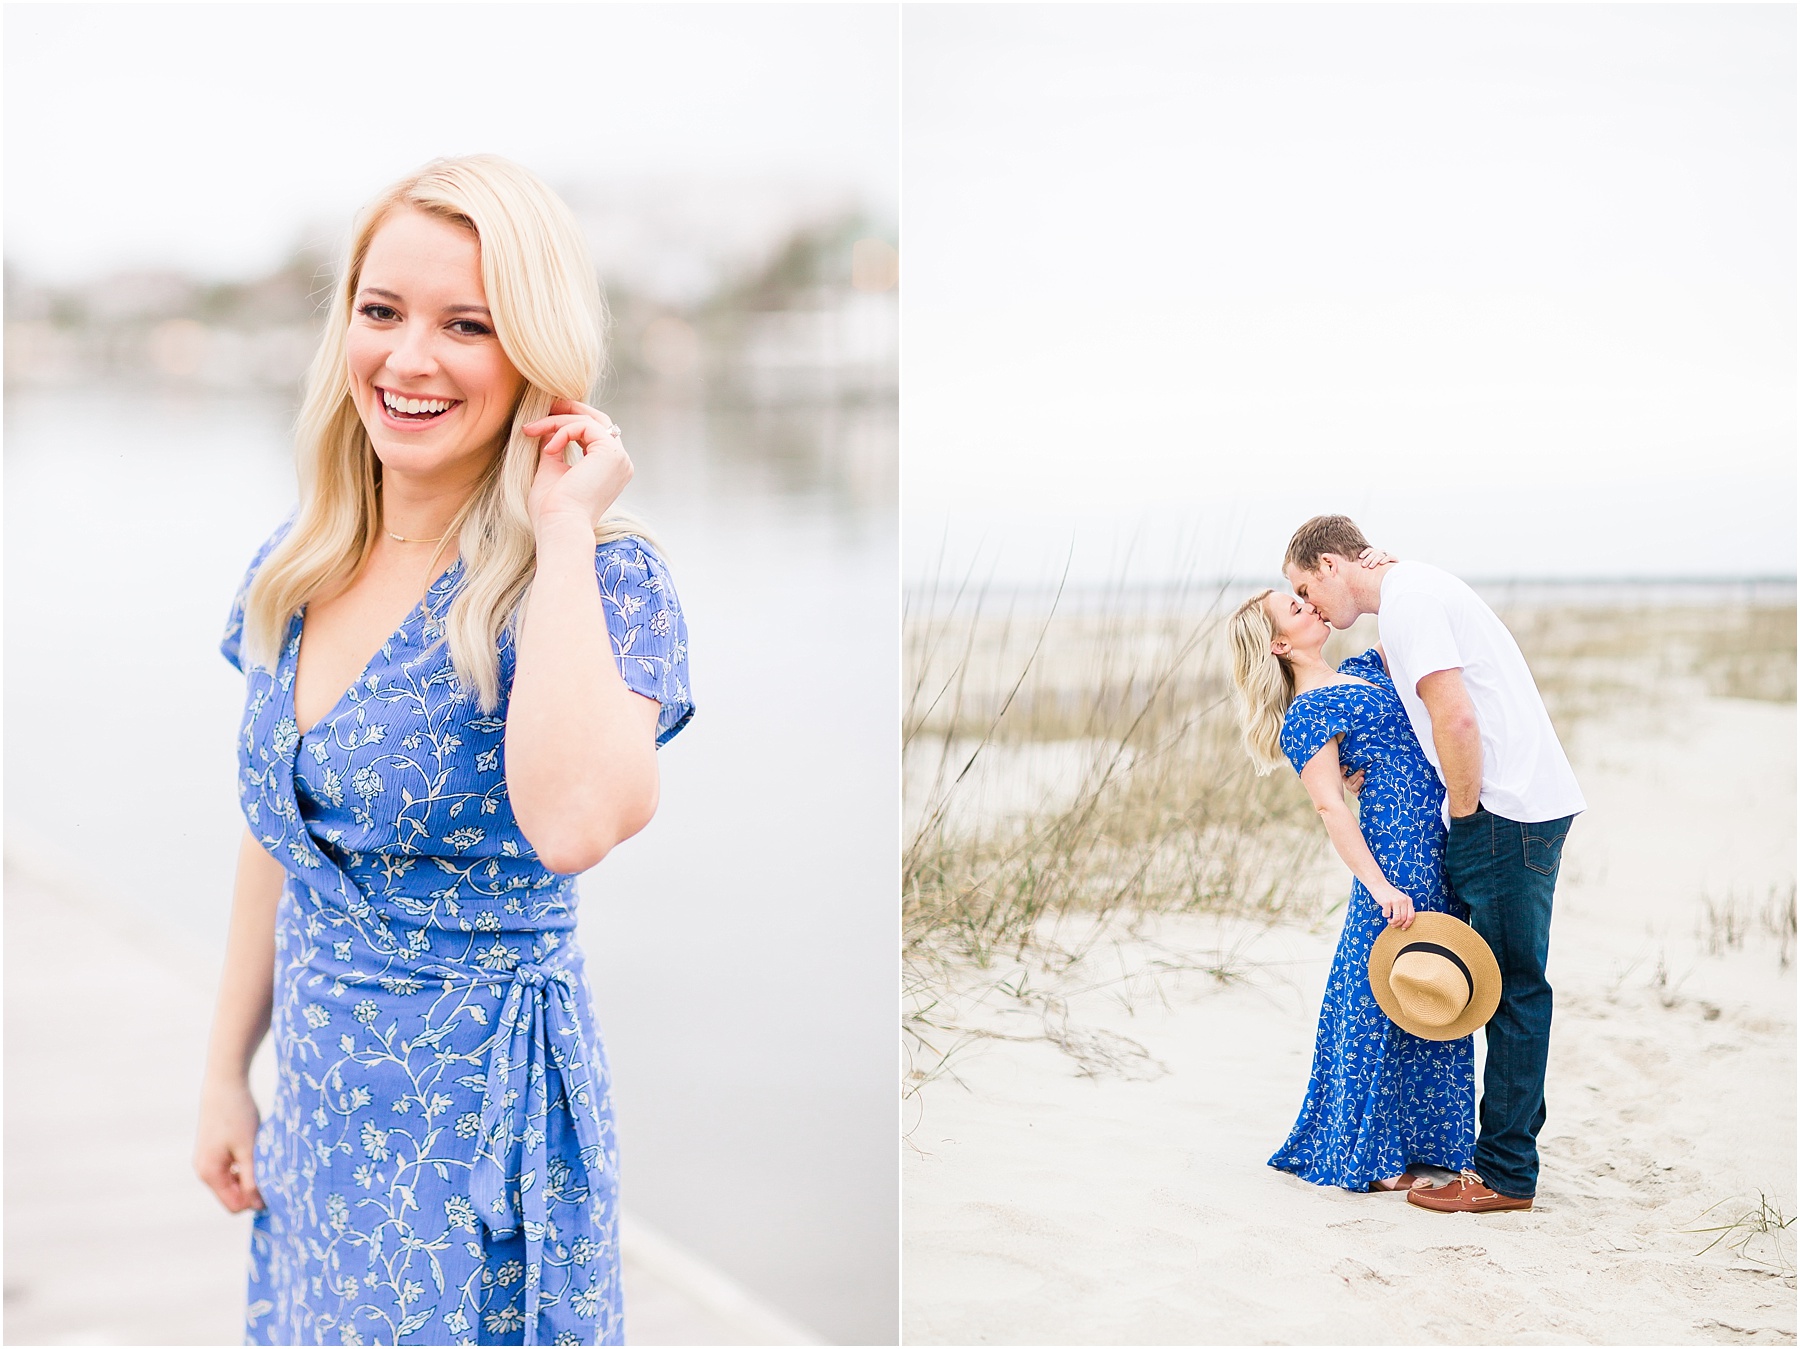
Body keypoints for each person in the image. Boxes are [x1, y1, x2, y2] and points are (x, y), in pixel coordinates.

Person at [193, 155, 694, 1346]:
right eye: (382, 311)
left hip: (476, 1130)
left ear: (532, 352)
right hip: (319, 1105)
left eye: (466, 324)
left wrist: (561, 528)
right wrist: (226, 1067)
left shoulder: (600, 580)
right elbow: (282, 835)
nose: (408, 359)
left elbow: (577, 823)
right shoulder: (297, 562)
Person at [1282, 514, 1583, 1214]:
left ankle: (1505, 1174)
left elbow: (1455, 720)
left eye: (1306, 586)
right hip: (1516, 804)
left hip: (1502, 811)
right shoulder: (1413, 589)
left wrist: (1468, 815)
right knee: (1503, 982)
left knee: (1511, 989)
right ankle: (1496, 1160)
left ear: (1330, 563)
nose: (1313, 605)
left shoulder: (1411, 598)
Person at [1227, 589, 1475, 1193]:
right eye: (1295, 608)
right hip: (1394, 854)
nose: (1311, 606)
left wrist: (1379, 574)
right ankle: (1371, 1155)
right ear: (1280, 645)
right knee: (1380, 989)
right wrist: (1379, 884)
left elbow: (1410, 627)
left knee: (1436, 986)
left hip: (1439, 840)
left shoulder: (1361, 669)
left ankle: (1430, 1143)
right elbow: (1329, 807)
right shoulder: (1307, 712)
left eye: (1306, 596)